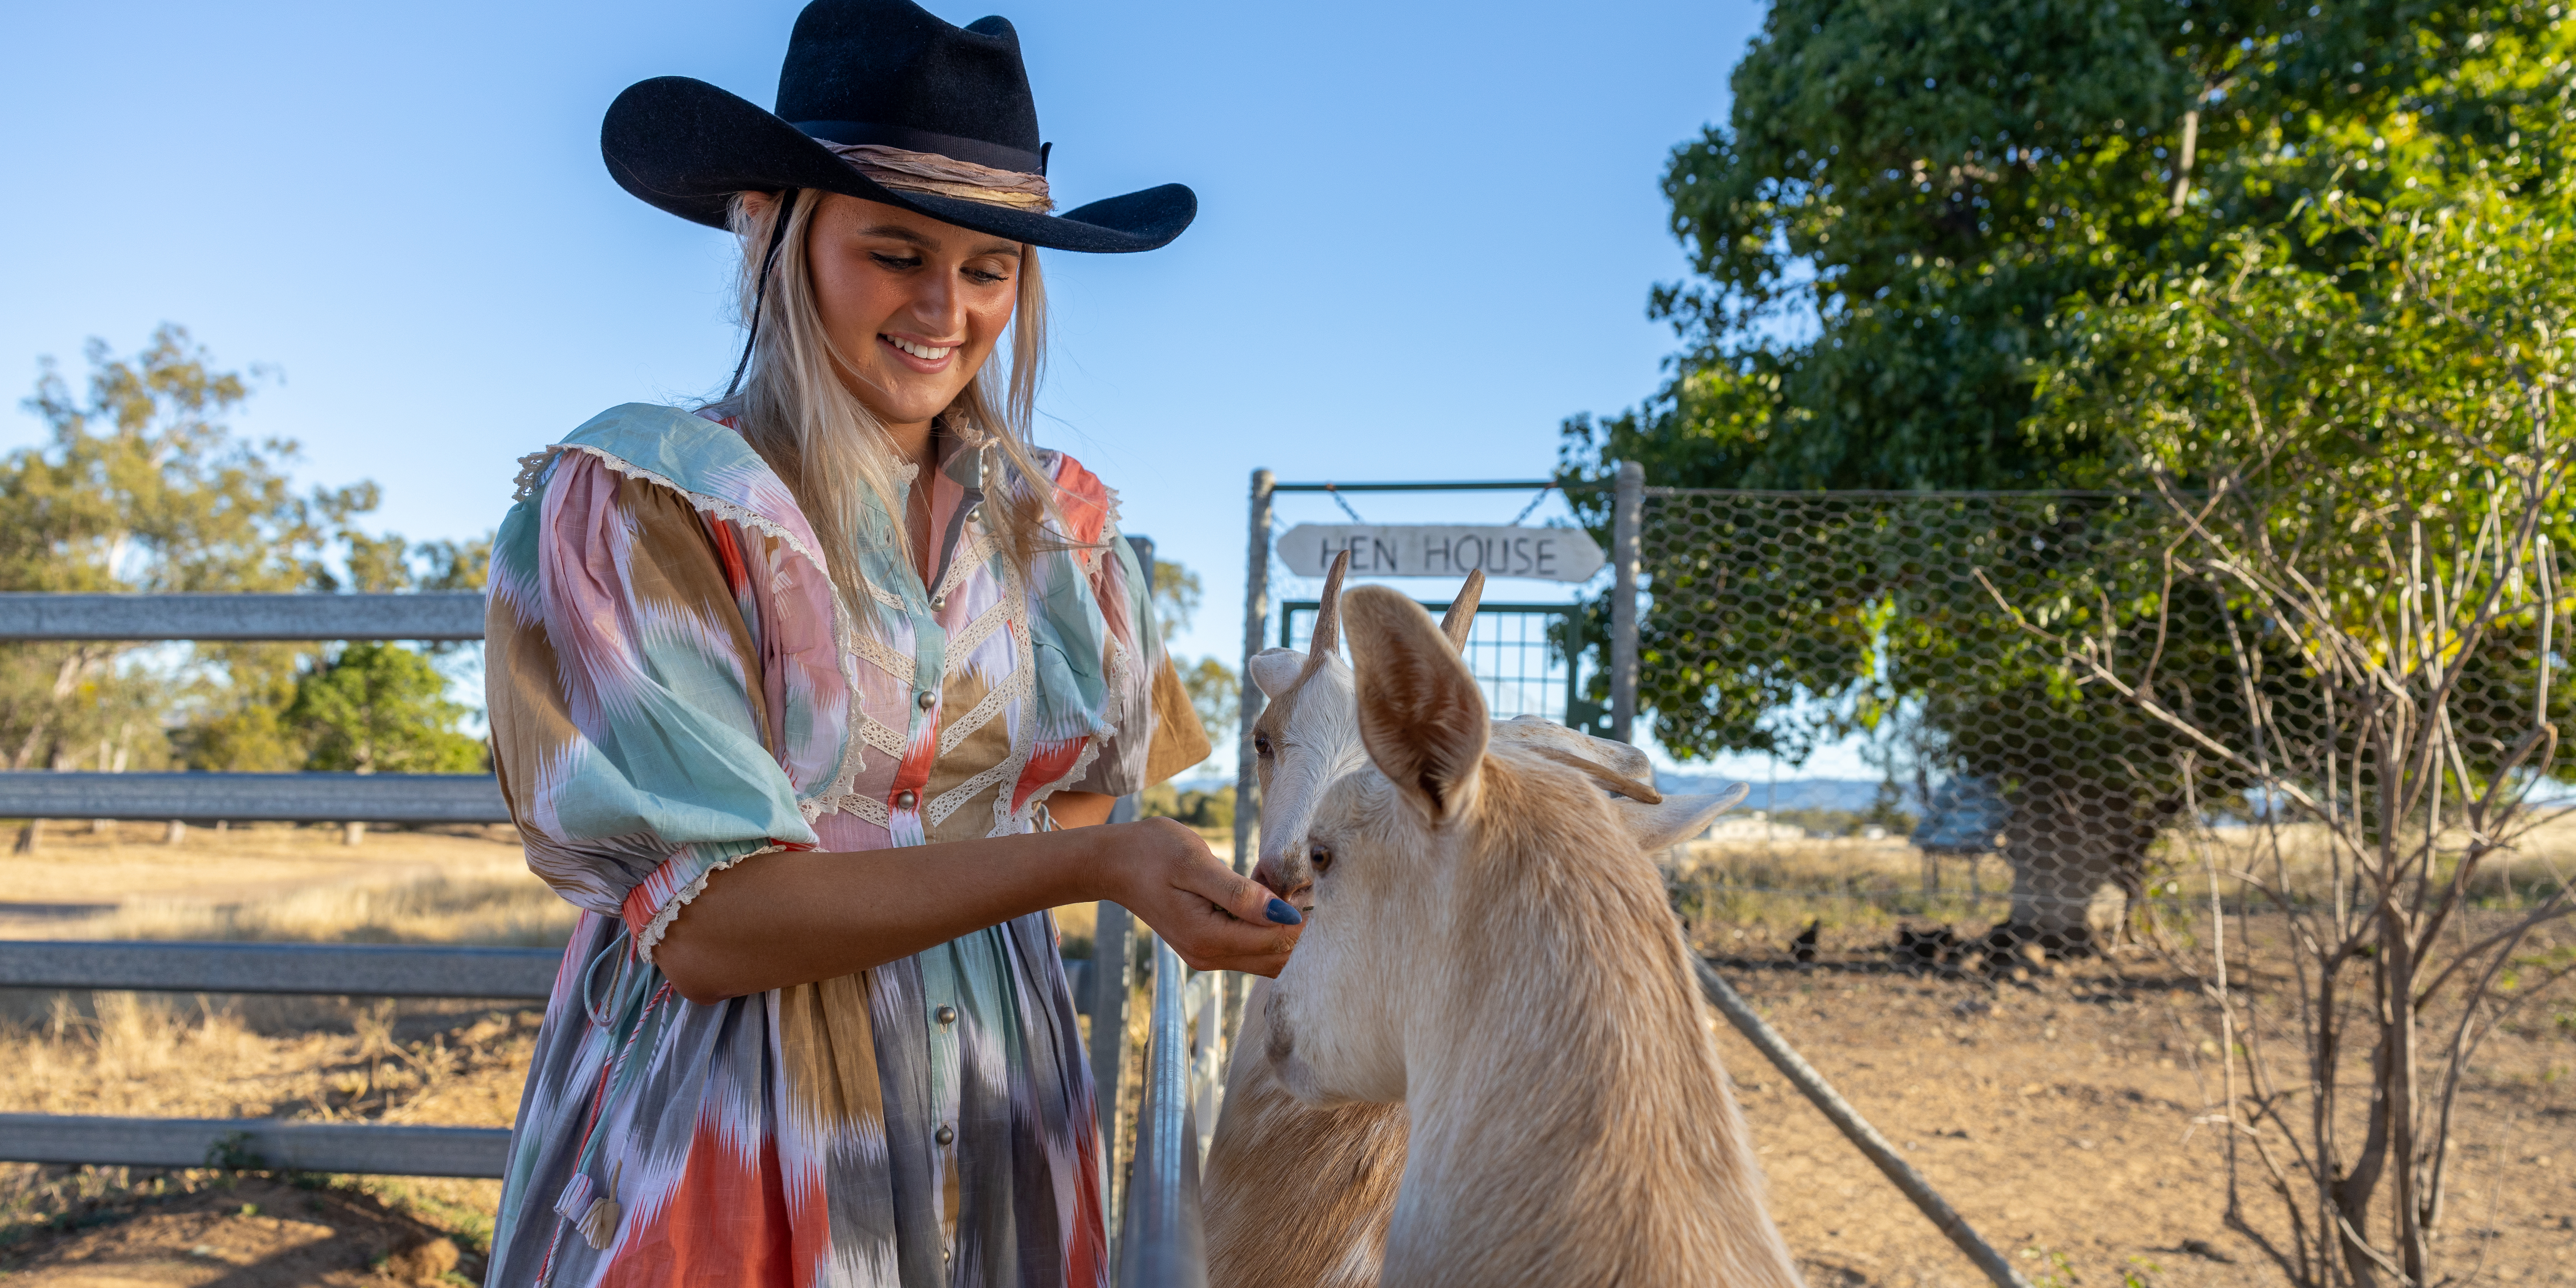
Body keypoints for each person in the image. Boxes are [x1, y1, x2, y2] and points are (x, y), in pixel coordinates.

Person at [481, 4, 1299, 1283]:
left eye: (989, 269)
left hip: (1002, 1116)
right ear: (773, 233)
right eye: (896, 251)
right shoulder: (652, 499)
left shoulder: (1063, 531)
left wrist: (1163, 866)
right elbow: (710, 928)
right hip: (744, 1120)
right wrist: (1091, 870)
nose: (945, 308)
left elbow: (1083, 802)